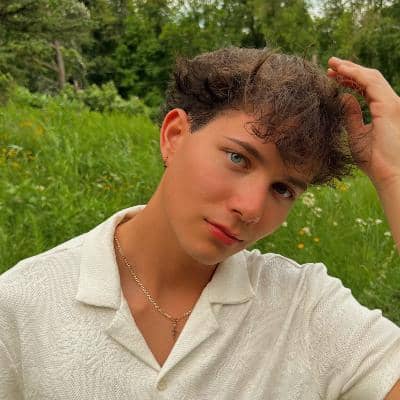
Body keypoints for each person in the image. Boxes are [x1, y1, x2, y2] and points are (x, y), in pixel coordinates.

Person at [1, 47, 399, 399]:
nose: (251, 208)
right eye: (238, 158)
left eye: (283, 189)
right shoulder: (21, 306)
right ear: (174, 135)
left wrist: (393, 176)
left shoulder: (304, 307)